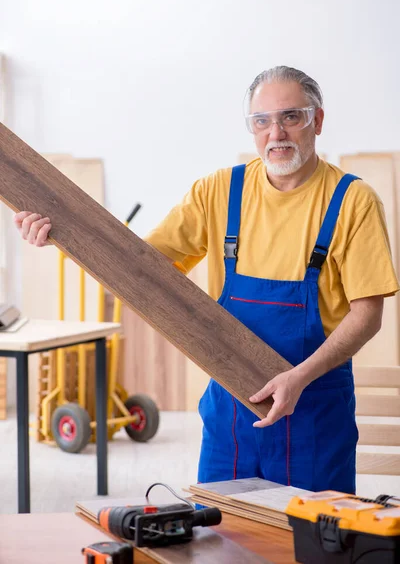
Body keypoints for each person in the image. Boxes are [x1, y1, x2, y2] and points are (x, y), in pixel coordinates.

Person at [14, 66, 399, 494]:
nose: (276, 133)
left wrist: (299, 377)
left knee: (313, 550)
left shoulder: (353, 200)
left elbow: (368, 314)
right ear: (251, 128)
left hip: (313, 414)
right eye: (262, 121)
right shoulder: (219, 192)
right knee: (221, 546)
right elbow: (137, 266)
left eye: (291, 116)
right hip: (230, 421)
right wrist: (61, 237)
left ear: (318, 121)